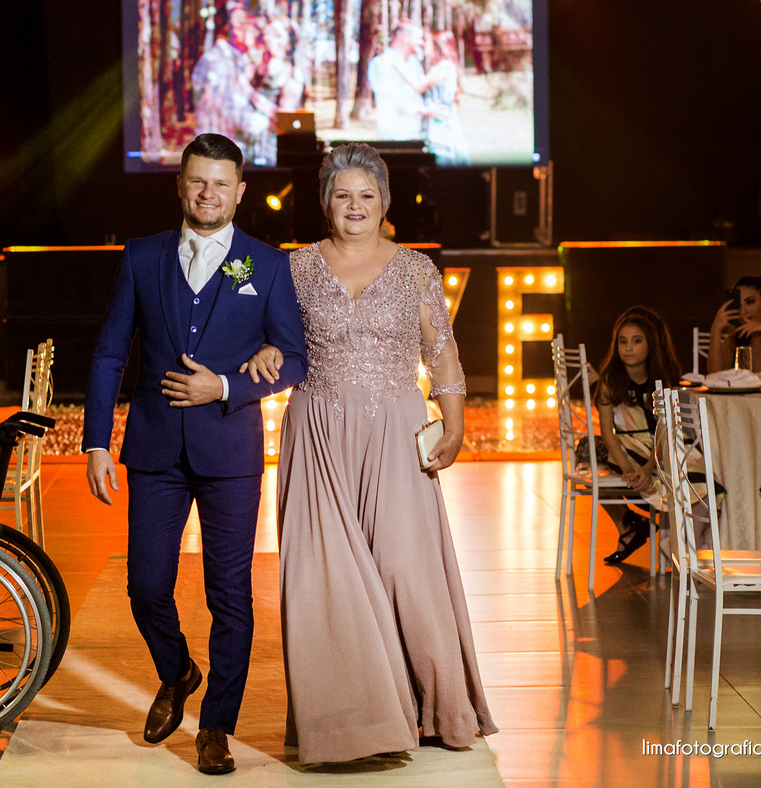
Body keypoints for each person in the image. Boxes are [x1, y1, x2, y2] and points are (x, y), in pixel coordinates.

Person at [244, 142, 496, 764]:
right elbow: (268, 338)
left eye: (366, 194)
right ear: (324, 202)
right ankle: (351, 725)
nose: (354, 206)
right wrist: (264, 351)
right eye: (342, 195)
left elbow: (442, 352)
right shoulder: (293, 269)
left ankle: (433, 707)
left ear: (384, 202)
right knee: (325, 576)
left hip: (397, 429)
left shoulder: (415, 270)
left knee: (406, 568)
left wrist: (456, 424)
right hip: (318, 433)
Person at [82, 133, 307, 775]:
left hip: (230, 451)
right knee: (146, 584)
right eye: (198, 181)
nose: (208, 193)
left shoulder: (267, 265)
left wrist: (228, 386)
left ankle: (216, 727)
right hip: (154, 448)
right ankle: (178, 669)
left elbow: (295, 357)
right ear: (180, 185)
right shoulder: (142, 256)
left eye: (221, 183)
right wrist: (97, 440)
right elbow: (110, 353)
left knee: (229, 594)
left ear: (240, 192)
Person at [592, 306, 683, 564]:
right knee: (593, 460)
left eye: (636, 341)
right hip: (624, 446)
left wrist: (648, 467)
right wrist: (628, 469)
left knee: (687, 470)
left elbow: (665, 430)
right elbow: (606, 430)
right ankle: (630, 524)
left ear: (650, 345)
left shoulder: (661, 379)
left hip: (656, 447)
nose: (628, 348)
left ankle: (681, 542)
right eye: (623, 342)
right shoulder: (611, 380)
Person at [192, 7, 278, 165]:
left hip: (224, 150)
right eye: (247, 28)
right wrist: (266, 122)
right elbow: (233, 114)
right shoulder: (217, 63)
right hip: (216, 155)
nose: (254, 35)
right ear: (232, 30)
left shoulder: (232, 60)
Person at [367, 20, 443, 141]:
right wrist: (424, 110)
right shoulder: (381, 63)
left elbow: (421, 88)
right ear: (405, 37)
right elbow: (391, 98)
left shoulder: (414, 62)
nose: (422, 43)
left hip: (418, 132)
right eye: (419, 38)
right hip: (396, 134)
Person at [707, 275, 761, 374]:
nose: (743, 310)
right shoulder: (732, 342)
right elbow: (715, 376)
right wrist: (715, 329)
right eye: (738, 304)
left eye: (750, 302)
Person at [424, 31, 470, 165]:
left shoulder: (444, 66)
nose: (424, 45)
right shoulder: (445, 66)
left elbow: (419, 85)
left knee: (445, 159)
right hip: (443, 118)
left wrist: (396, 65)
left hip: (442, 120)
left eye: (428, 43)